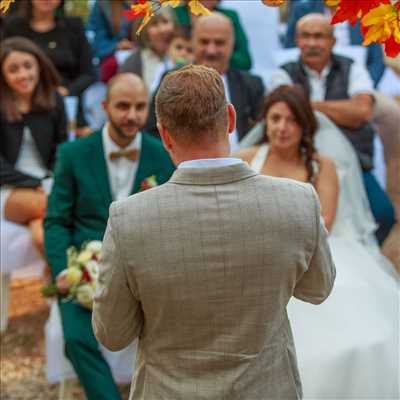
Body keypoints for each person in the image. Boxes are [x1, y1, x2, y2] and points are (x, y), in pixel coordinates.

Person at [92, 64, 335, 399]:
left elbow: (113, 333)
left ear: (163, 134)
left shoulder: (128, 218)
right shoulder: (297, 200)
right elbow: (318, 289)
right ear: (231, 119)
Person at [235, 85, 399, 398]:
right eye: (276, 118)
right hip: (255, 260)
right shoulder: (244, 160)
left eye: (292, 120)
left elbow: (325, 221)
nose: (282, 127)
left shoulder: (322, 165)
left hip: (314, 255)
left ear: (305, 125)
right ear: (264, 122)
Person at [44, 73, 175, 400]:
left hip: (144, 273)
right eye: (122, 106)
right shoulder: (73, 154)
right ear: (104, 107)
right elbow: (56, 220)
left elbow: (170, 221)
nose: (132, 115)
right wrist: (63, 269)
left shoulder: (163, 156)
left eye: (140, 107)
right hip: (81, 270)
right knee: (74, 338)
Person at [270, 13, 396, 245]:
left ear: (333, 41)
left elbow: (362, 112)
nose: (312, 43)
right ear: (297, 40)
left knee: (384, 214)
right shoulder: (283, 72)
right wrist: (343, 109)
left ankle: (366, 256)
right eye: (306, 36)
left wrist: (306, 105)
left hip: (354, 162)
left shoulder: (352, 67)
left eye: (319, 36)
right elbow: (287, 113)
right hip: (302, 162)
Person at [146, 12, 265, 152]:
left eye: (219, 43)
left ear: (232, 45)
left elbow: (262, 133)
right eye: (204, 42)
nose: (211, 50)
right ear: (193, 42)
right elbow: (153, 129)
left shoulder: (251, 85)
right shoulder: (173, 79)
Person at [1, 36, 67, 256]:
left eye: (28, 66)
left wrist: (51, 180)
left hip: (46, 182)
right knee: (48, 206)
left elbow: (62, 149)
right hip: (8, 188)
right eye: (13, 69)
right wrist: (35, 182)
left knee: (41, 232)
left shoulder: (54, 99)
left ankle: (56, 279)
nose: (22, 75)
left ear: (39, 65)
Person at [3, 0, 96, 133]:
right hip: (20, 108)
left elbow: (89, 73)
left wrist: (67, 91)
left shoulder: (74, 26)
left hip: (67, 106)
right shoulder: (13, 26)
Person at [284, 0, 385, 87]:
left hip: (360, 82)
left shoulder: (366, 11)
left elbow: (377, 61)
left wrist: (363, 85)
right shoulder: (303, 8)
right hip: (310, 81)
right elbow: (290, 51)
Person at [173, 0, 252, 70]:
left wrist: (208, 58)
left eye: (219, 42)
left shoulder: (230, 16)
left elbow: (244, 61)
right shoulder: (174, 13)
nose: (211, 51)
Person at [119, 8, 176, 91]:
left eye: (165, 21)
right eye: (154, 24)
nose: (162, 29)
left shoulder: (184, 54)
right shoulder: (132, 63)